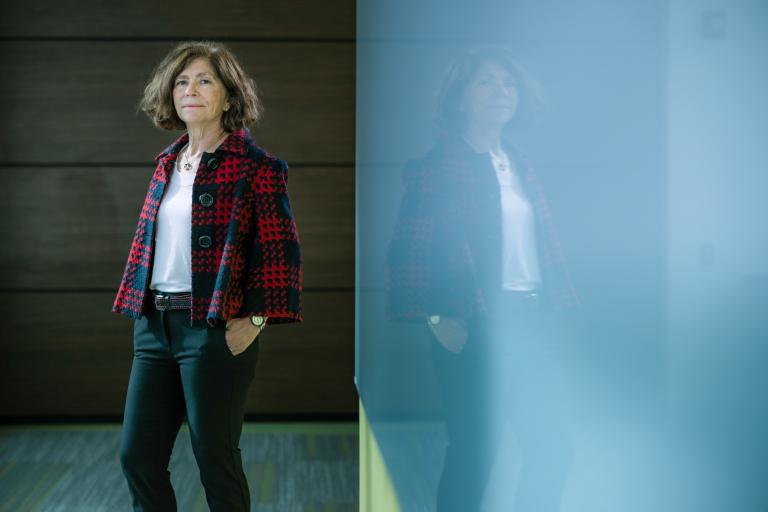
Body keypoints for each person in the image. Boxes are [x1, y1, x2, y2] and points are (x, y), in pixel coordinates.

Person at [112, 40, 302, 511]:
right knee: (137, 455)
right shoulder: (166, 165)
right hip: (154, 326)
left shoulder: (257, 168)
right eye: (180, 81)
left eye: (204, 80)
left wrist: (255, 322)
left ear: (228, 95)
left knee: (214, 456)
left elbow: (280, 251)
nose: (189, 90)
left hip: (215, 330)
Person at [387, 47, 578, 511]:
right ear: (461, 98)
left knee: (552, 444)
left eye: (509, 84)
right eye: (487, 82)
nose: (501, 93)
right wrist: (434, 317)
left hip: (531, 318)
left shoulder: (519, 164)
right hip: (473, 322)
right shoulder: (437, 167)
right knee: (476, 451)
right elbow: (408, 252)